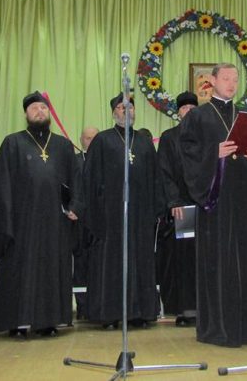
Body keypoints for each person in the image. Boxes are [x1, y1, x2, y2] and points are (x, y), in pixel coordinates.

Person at [179, 63, 247, 347]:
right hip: (216, 202)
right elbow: (186, 156)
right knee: (220, 263)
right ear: (212, 81)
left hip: (245, 199)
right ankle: (220, 328)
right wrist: (214, 153)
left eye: (236, 79)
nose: (232, 83)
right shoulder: (197, 116)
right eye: (226, 78)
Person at [0, 92, 82, 337]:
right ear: (26, 114)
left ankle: (48, 321)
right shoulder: (13, 142)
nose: (40, 112)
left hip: (55, 221)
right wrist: (6, 217)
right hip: (22, 220)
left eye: (43, 108)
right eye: (34, 109)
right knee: (21, 268)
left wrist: (74, 206)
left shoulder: (63, 145)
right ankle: (18, 322)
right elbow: (2, 182)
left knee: (51, 269)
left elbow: (76, 180)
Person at [82, 93, 160, 329]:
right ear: (113, 112)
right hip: (110, 216)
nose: (127, 110)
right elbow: (90, 179)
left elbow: (155, 178)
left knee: (139, 261)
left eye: (130, 107)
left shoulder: (144, 142)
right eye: (121, 107)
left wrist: (155, 210)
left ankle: (139, 313)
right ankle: (109, 314)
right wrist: (96, 212)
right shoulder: (102, 140)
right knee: (112, 263)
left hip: (140, 215)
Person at [156, 91, 198, 327]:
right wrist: (174, 201)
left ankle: (209, 308)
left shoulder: (207, 135)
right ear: (178, 113)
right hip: (183, 208)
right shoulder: (169, 137)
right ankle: (186, 309)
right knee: (184, 258)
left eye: (193, 108)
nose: (188, 112)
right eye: (184, 108)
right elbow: (164, 172)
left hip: (207, 206)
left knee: (207, 256)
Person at [73, 126, 99, 320]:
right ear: (81, 140)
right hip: (79, 222)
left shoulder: (106, 160)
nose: (90, 142)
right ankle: (82, 306)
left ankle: (99, 305)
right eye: (87, 138)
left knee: (99, 263)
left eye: (94, 138)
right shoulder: (74, 161)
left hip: (100, 221)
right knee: (80, 263)